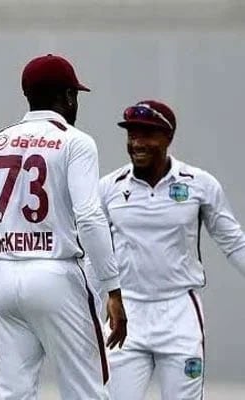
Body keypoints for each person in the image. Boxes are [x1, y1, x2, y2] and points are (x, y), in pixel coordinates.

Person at [0, 54, 128, 399]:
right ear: (69, 96)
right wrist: (112, 288)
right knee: (87, 391)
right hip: (58, 275)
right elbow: (89, 216)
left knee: (15, 394)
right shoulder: (76, 141)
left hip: (7, 280)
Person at [98, 100, 245, 400]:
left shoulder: (200, 185)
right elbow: (92, 251)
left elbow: (234, 242)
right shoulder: (109, 188)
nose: (137, 143)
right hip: (127, 313)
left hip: (179, 312)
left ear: (168, 137)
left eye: (147, 134)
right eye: (132, 135)